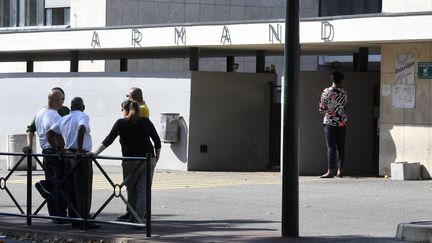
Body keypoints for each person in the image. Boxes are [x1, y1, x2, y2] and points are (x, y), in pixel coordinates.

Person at [90, 100, 161, 223]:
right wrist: (156, 158)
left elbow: (108, 140)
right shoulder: (146, 121)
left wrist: (95, 153)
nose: (121, 112)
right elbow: (157, 141)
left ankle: (133, 217)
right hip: (148, 159)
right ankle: (139, 220)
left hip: (130, 161)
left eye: (122, 109)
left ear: (125, 110)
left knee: (131, 189)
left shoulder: (121, 123)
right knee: (143, 190)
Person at [47, 97, 99, 229]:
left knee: (71, 188)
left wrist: (58, 149)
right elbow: (81, 129)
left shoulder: (64, 118)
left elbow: (50, 133)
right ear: (83, 106)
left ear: (70, 108)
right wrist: (80, 149)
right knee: (83, 189)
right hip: (79, 156)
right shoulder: (83, 116)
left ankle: (74, 218)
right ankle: (84, 219)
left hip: (67, 155)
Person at [23, 90, 68, 223]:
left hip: (45, 153)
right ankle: (60, 216)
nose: (63, 103)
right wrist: (60, 148)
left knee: (53, 182)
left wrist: (30, 145)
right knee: (60, 183)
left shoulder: (39, 113)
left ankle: (53, 213)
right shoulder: (55, 115)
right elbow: (56, 134)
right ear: (55, 100)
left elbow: (31, 130)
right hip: (54, 152)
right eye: (62, 100)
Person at [319, 71, 348, 178]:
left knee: (331, 146)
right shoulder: (344, 92)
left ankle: (331, 170)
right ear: (341, 80)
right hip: (342, 122)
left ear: (332, 79)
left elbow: (322, 109)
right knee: (341, 146)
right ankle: (341, 170)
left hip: (330, 122)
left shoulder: (326, 91)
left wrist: (322, 106)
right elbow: (344, 105)